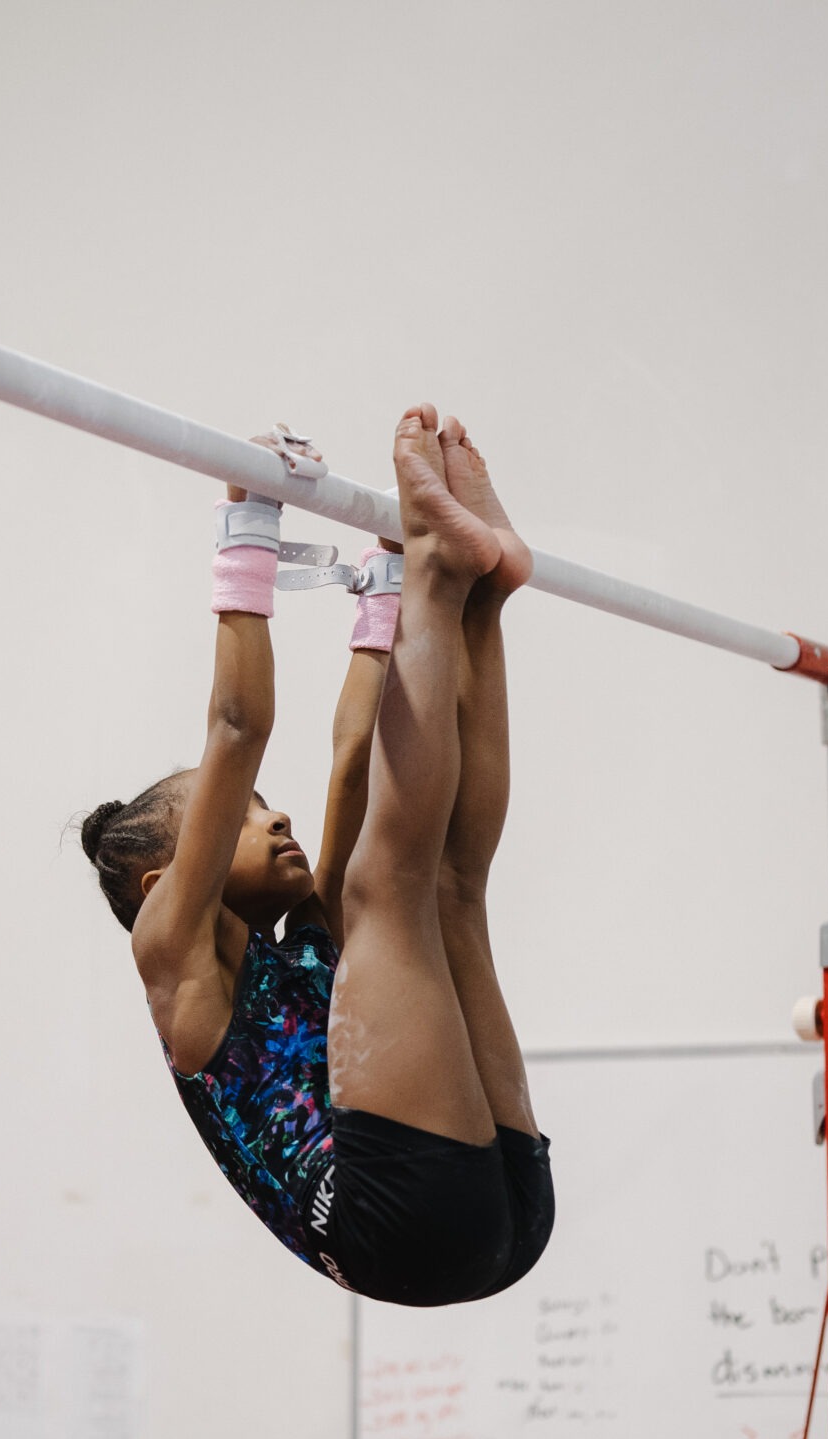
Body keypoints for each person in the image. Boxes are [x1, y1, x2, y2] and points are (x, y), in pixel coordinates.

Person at [77, 406, 552, 1307]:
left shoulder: (306, 955)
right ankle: (449, 582)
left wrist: (385, 593)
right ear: (164, 883)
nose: (274, 813)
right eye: (239, 815)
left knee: (448, 887)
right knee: (394, 885)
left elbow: (351, 762)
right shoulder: (175, 960)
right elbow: (238, 727)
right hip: (394, 1219)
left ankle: (481, 595)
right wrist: (247, 528)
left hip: (493, 1211)